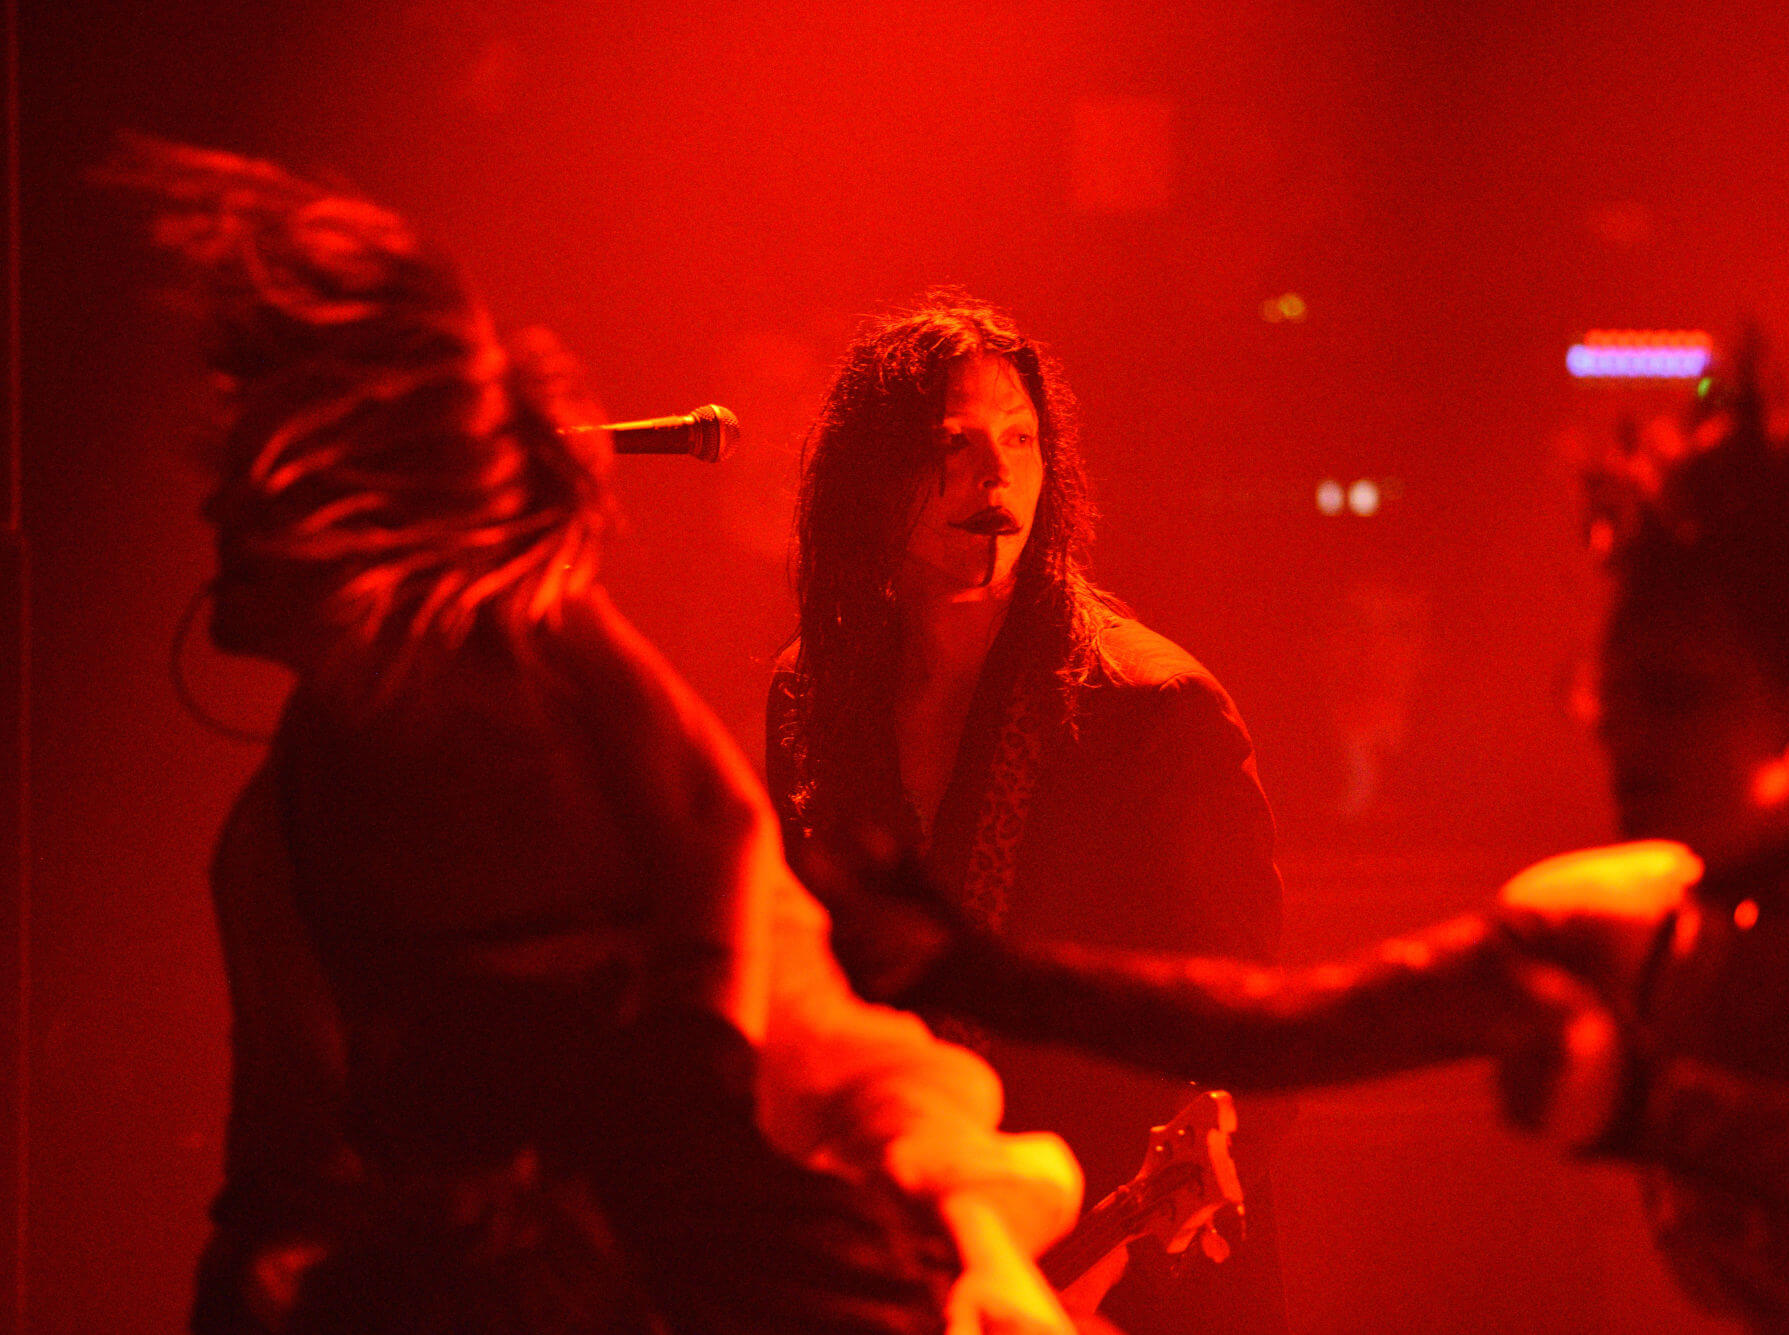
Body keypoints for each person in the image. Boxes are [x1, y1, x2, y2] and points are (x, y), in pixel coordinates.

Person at [105, 140, 1081, 1335]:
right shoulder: (279, 841)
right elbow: (283, 1158)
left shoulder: (546, 654)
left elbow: (720, 825)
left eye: (253, 481)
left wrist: (696, 1059)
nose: (213, 509)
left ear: (343, 511)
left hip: (762, 1183)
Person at [824, 350, 1789, 1334]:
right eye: (1610, 692)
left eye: (1677, 695)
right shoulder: (1611, 918)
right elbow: (1276, 1031)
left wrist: (1627, 1100)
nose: (1623, 734)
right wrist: (968, 969)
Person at [767, 294, 1288, 1335]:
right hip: (904, 1262)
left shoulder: (1153, 710)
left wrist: (1157, 1209)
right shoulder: (812, 691)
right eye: (951, 445)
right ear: (872, 478)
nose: (993, 478)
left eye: (1018, 441)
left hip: (1118, 1273)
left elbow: (1256, 1030)